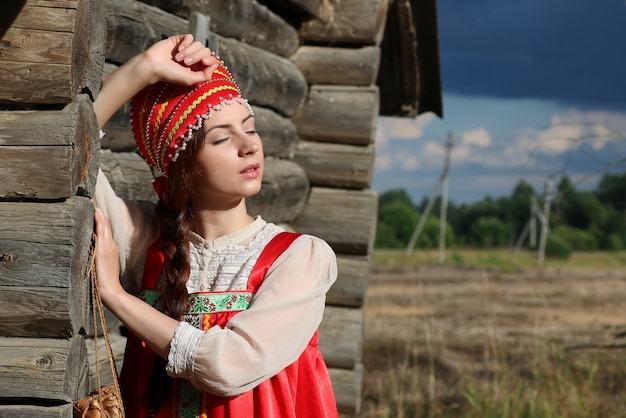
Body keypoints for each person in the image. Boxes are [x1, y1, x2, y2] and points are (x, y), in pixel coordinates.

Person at [92, 34, 339, 417]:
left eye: (251, 128)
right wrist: (143, 68)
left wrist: (118, 297)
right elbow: (69, 155)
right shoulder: (148, 242)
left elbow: (227, 366)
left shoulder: (300, 258)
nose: (249, 145)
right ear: (182, 166)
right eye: (222, 138)